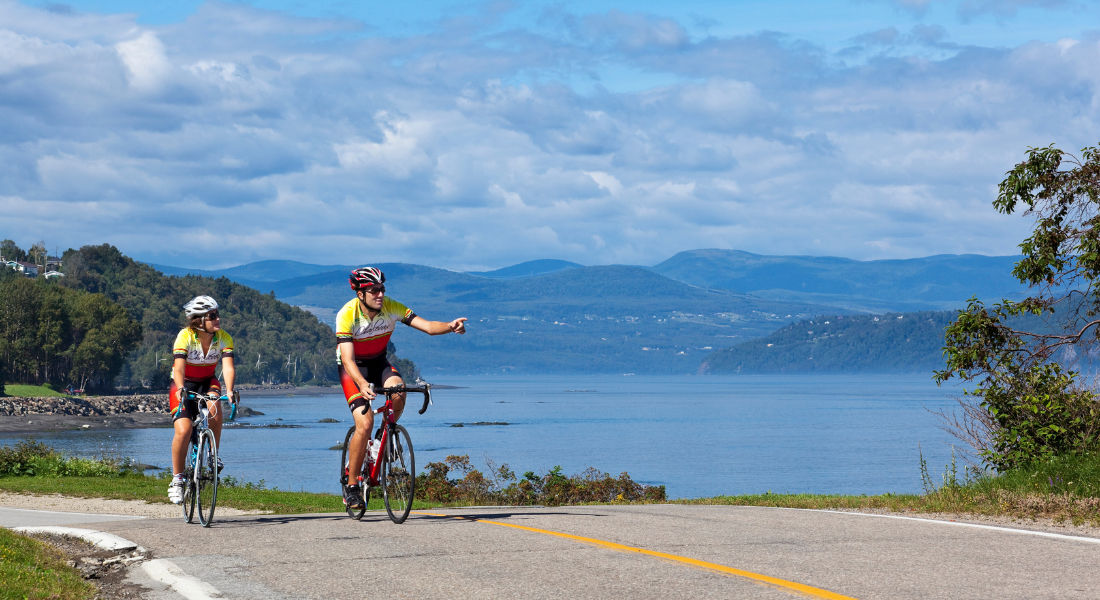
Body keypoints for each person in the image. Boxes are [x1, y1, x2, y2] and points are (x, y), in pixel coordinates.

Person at [338, 267, 466, 510]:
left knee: (399, 390)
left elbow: (427, 327)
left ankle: (382, 438)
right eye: (374, 290)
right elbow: (347, 360)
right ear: (360, 294)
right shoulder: (347, 314)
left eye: (382, 289)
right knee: (363, 424)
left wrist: (450, 326)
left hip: (379, 364)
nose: (380, 294)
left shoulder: (392, 306)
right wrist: (363, 384)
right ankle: (352, 485)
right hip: (353, 369)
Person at [167, 295, 236, 504]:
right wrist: (180, 388)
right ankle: (177, 480)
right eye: (212, 316)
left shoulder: (224, 337)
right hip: (184, 383)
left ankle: (214, 455)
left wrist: (230, 390)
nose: (217, 319)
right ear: (199, 320)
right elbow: (178, 367)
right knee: (184, 430)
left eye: (217, 314)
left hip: (208, 381)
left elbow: (228, 367)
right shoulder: (185, 336)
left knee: (215, 407)